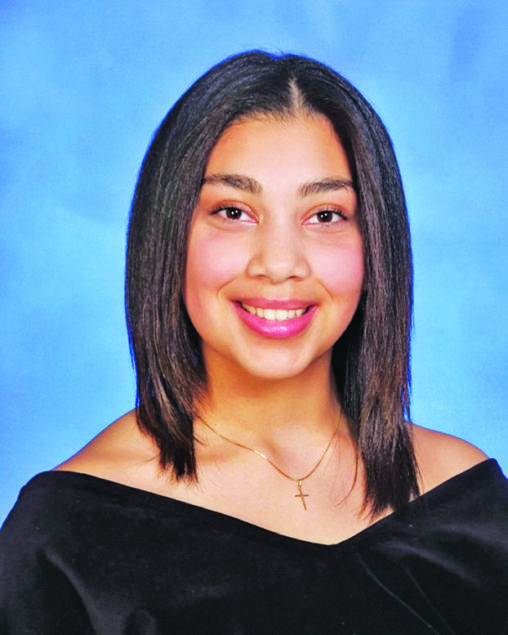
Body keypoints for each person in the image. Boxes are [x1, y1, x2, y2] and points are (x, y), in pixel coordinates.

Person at [1, 51, 507, 634]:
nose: (280, 263)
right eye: (234, 211)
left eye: (325, 215)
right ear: (168, 237)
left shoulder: (469, 508)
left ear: (375, 247)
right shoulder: (65, 542)